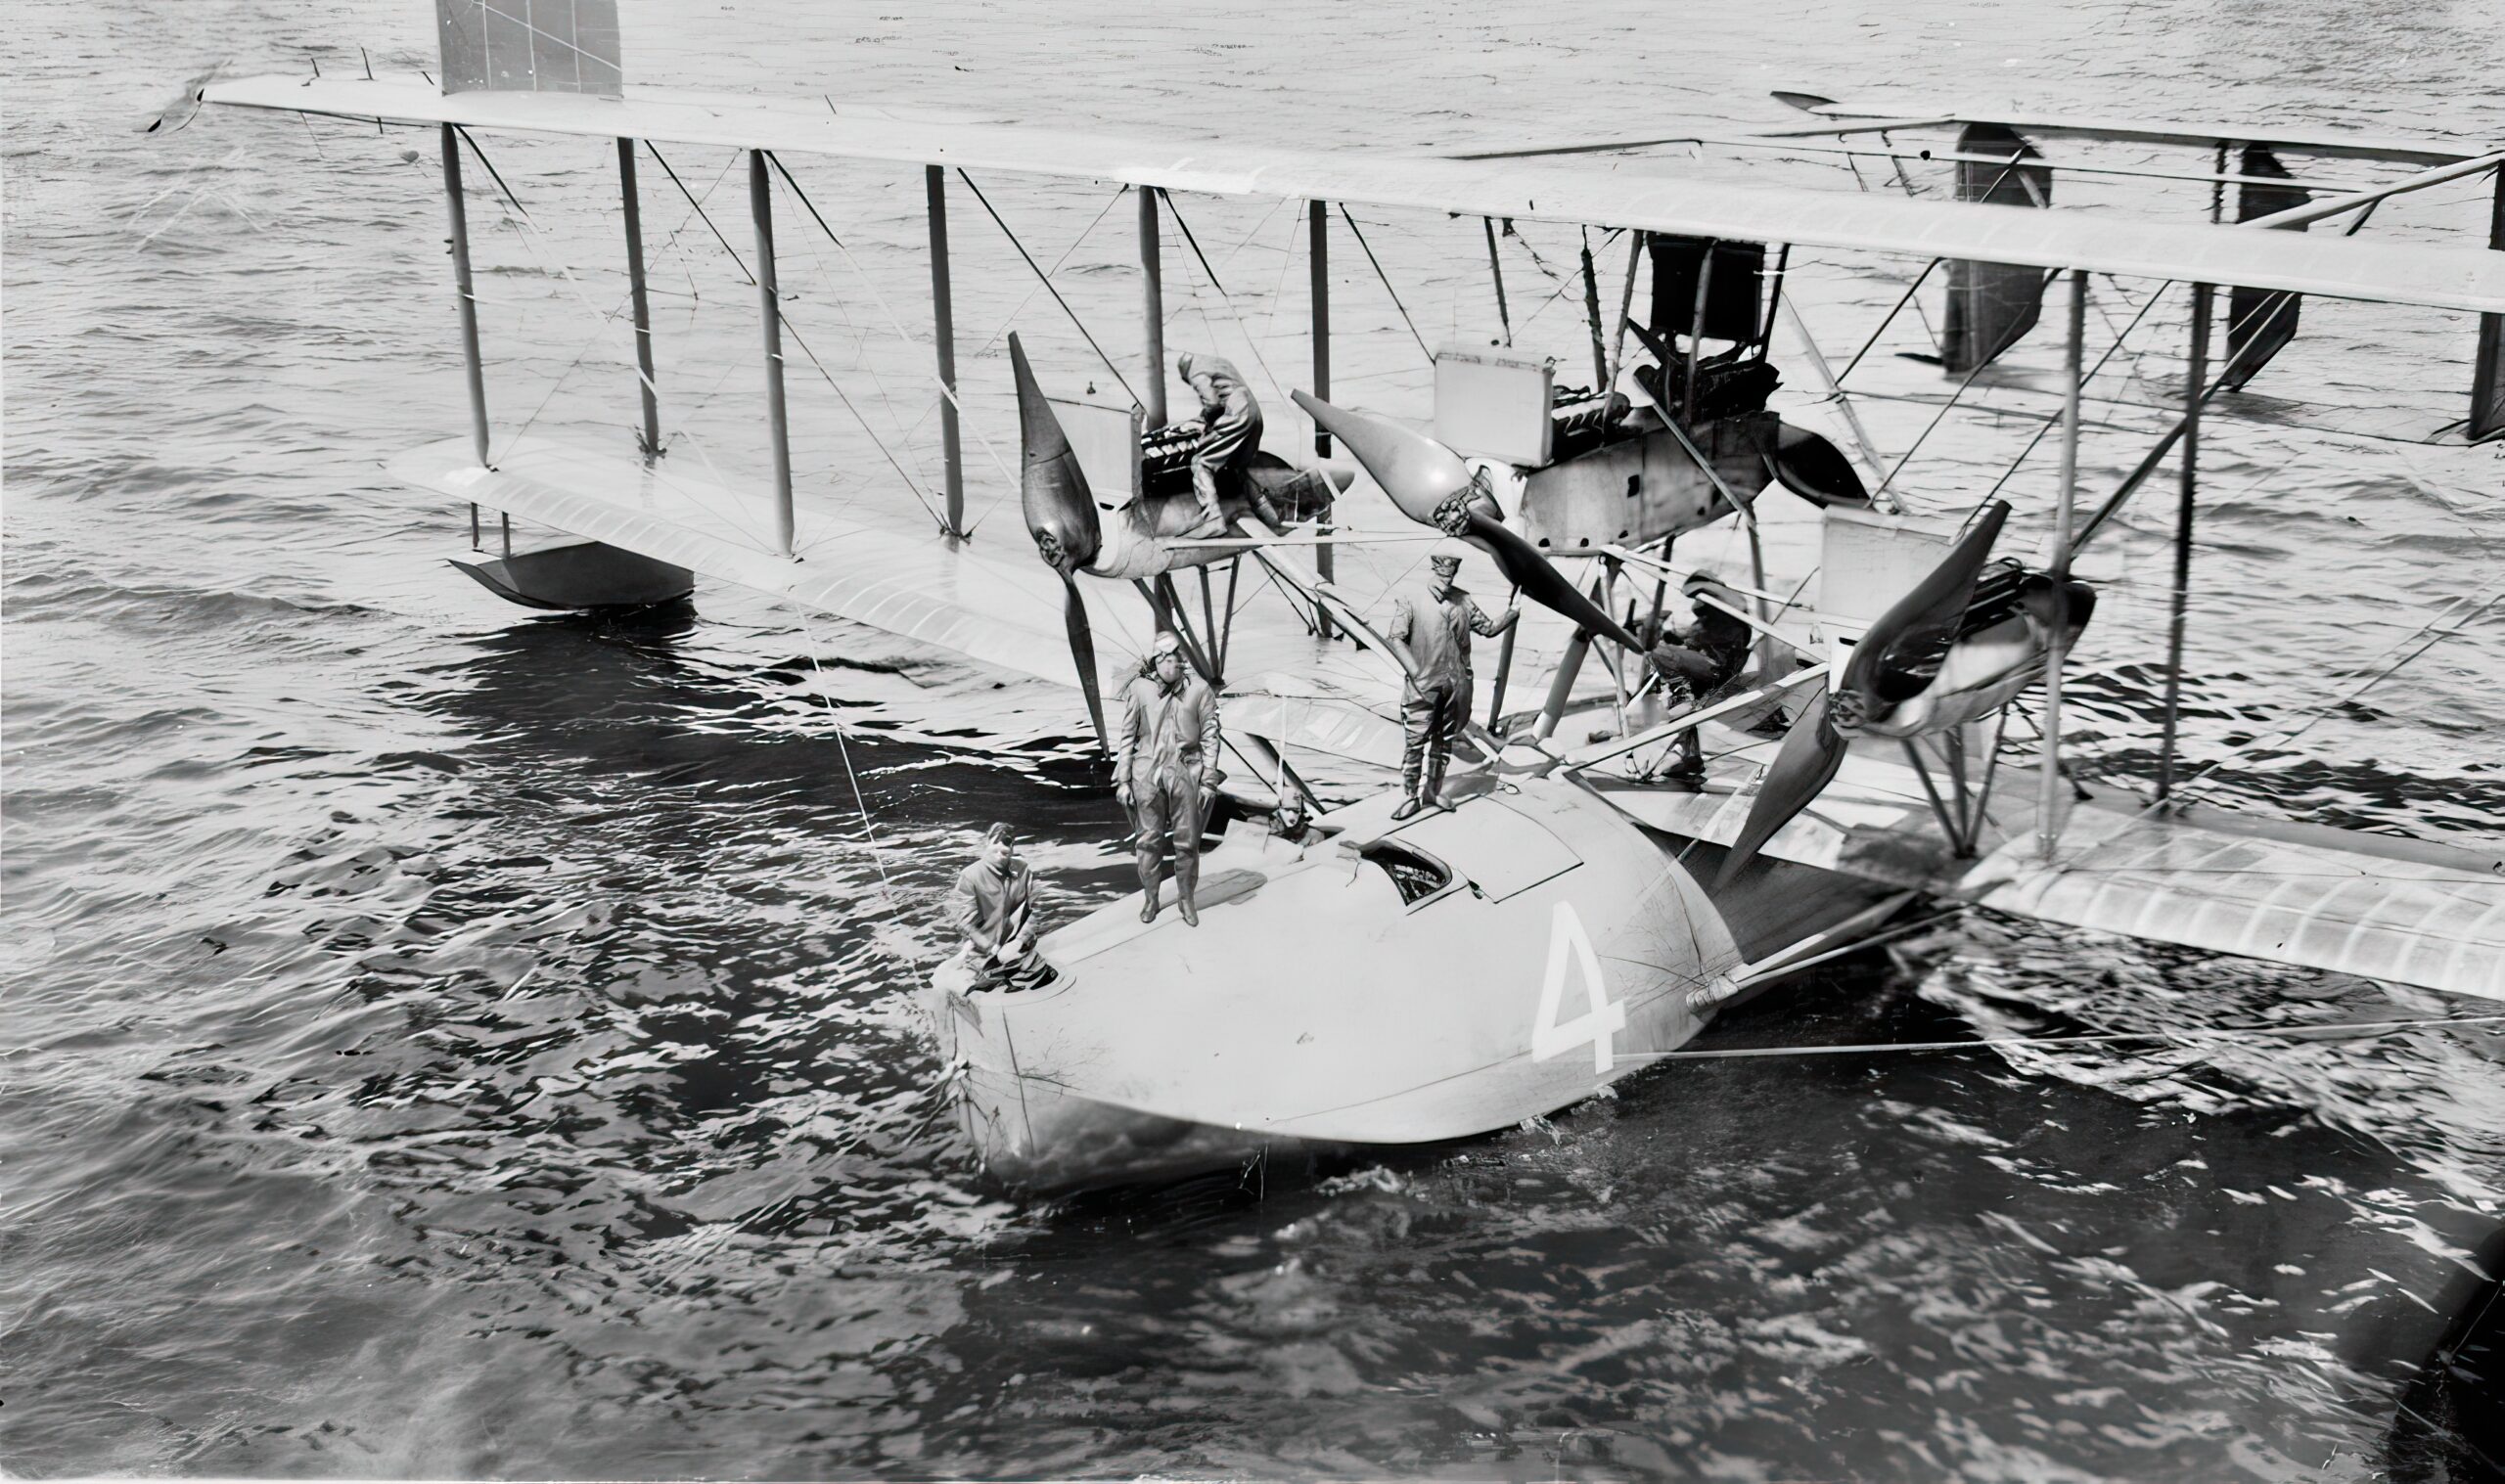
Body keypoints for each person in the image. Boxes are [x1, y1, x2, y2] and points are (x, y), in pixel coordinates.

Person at [1385, 551, 1518, 820]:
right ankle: (1410, 796)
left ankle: (1433, 792)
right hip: (1423, 686)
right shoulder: (1411, 598)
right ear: (1434, 569)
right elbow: (1395, 637)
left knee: (1444, 743)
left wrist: (1513, 611)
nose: (1447, 576)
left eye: (1452, 572)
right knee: (1415, 743)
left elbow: (1489, 628)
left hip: (1456, 686)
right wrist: (1415, 670)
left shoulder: (1463, 600)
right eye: (1443, 571)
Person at [1114, 630, 1222, 925]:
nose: (1167, 666)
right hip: (1146, 773)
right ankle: (1151, 899)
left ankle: (1186, 899)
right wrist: (1123, 781)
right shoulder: (1139, 689)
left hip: (1186, 771)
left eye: (1173, 660)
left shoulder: (1200, 690)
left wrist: (1209, 780)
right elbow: (1126, 736)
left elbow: (1211, 736)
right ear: (1155, 661)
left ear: (1181, 660)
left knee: (1187, 843)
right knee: (1148, 842)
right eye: (1161, 661)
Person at [1648, 568, 1754, 777]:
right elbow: (1696, 637)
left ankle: (1680, 694)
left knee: (1658, 652)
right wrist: (1680, 640)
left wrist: (1676, 640)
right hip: (1717, 667)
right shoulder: (1721, 617)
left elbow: (1698, 637)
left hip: (1716, 669)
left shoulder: (1725, 615)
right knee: (1685, 708)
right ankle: (1689, 756)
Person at [948, 823, 1054, 991]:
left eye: (1007, 845)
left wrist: (1020, 941)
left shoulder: (1023, 869)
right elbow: (966, 923)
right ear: (986, 844)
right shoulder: (969, 876)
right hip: (985, 954)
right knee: (968, 989)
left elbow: (1036, 909)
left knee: (1045, 978)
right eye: (995, 845)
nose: (1000, 852)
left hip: (1019, 948)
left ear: (1012, 848)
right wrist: (993, 948)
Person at [1178, 351, 1268, 534]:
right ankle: (1267, 513)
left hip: (1236, 412)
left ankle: (1213, 520)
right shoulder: (1219, 362)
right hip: (1254, 411)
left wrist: (1201, 421)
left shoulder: (1195, 371)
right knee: (1237, 467)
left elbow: (1212, 402)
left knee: (1201, 463)